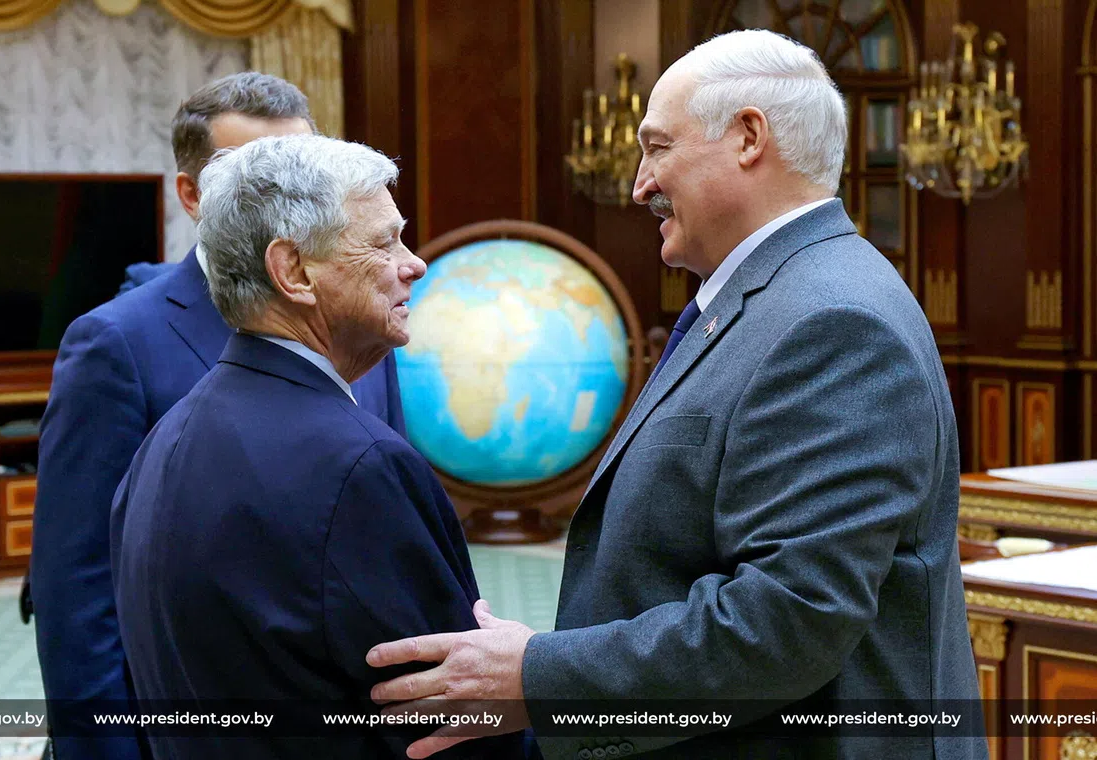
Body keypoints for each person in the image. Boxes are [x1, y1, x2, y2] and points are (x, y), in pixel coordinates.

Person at [365, 29, 986, 760]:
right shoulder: (776, 299)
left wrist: (538, 676)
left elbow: (786, 622)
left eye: (657, 148)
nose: (639, 185)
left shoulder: (833, 322)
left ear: (749, 137)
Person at [29, 73, 406, 760]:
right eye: (254, 171)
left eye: (301, 164)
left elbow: (391, 519)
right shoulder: (116, 343)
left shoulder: (361, 322)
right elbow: (77, 586)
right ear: (192, 194)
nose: (288, 190)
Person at [109, 134, 522, 760]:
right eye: (384, 242)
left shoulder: (165, 439)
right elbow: (456, 732)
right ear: (294, 271)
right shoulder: (360, 466)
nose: (414, 264)